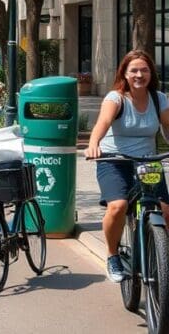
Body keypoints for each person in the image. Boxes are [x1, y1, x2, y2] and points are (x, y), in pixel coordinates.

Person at [84, 49, 169, 283]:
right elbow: (103, 122)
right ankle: (112, 255)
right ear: (125, 73)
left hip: (147, 162)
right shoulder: (116, 98)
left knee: (165, 209)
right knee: (118, 206)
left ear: (151, 73)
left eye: (144, 70)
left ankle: (162, 260)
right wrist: (93, 144)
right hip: (114, 159)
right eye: (134, 70)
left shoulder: (158, 98)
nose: (139, 75)